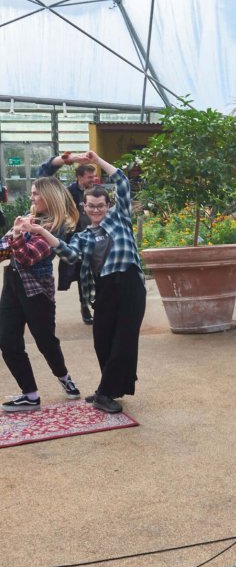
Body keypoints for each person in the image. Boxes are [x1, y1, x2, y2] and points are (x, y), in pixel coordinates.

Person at [23, 151, 146, 414]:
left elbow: (122, 180)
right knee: (102, 340)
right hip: (103, 289)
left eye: (101, 206)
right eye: (91, 206)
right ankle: (110, 388)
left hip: (129, 284)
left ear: (108, 205)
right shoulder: (85, 235)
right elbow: (69, 254)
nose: (97, 210)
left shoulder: (119, 218)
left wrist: (98, 160)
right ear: (84, 207)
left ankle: (104, 394)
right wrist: (43, 232)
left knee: (124, 339)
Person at [0, 174, 81, 412]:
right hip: (13, 283)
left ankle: (64, 377)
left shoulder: (58, 226)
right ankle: (30, 394)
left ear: (49, 195)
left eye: (36, 193)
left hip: (37, 289)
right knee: (6, 340)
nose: (31, 197)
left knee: (45, 341)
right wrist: (12, 237)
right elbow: (3, 251)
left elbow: (28, 257)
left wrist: (15, 237)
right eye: (32, 193)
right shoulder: (28, 218)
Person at [36, 155, 98, 324]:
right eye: (89, 177)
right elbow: (43, 175)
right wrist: (63, 159)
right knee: (81, 275)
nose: (93, 179)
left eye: (94, 176)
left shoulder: (97, 192)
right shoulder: (68, 192)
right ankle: (85, 307)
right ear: (79, 177)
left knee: (96, 274)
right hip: (75, 241)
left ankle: (96, 305)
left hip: (95, 240)